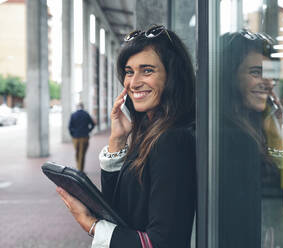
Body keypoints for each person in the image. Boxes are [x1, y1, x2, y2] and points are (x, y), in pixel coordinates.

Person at [57, 25, 196, 248]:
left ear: (173, 76)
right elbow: (120, 215)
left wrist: (92, 225)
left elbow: (164, 242)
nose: (133, 82)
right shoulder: (151, 131)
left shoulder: (172, 140)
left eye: (147, 70)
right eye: (129, 71)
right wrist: (117, 141)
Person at [219, 30, 283, 247]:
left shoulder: (250, 129)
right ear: (229, 77)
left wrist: (274, 134)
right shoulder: (234, 139)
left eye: (271, 74)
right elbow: (266, 217)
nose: (269, 82)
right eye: (256, 73)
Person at [68, 102, 95, 172]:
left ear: (77, 107)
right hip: (84, 137)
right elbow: (93, 124)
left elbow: (70, 127)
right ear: (83, 107)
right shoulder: (86, 114)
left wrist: (73, 134)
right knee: (82, 154)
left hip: (75, 137)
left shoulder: (73, 115)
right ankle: (80, 170)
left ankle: (78, 168)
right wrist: (88, 131)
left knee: (77, 152)